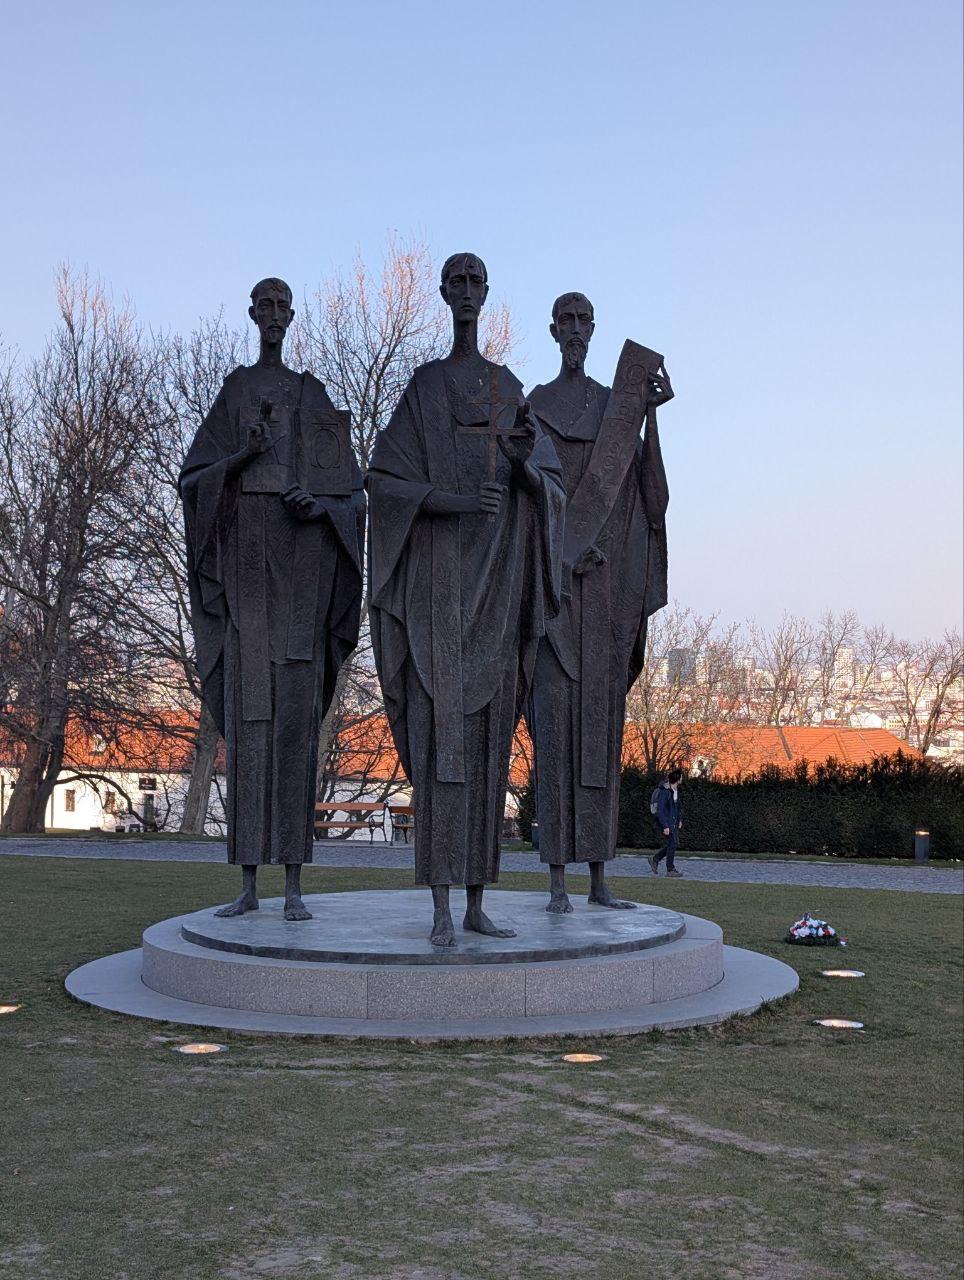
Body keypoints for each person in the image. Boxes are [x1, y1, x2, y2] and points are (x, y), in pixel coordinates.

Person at [367, 252, 565, 947]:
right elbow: (384, 480)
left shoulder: (509, 389)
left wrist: (520, 467)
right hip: (437, 593)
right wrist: (448, 501)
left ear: (487, 293)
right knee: (440, 748)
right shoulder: (424, 389)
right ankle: (440, 907)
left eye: (477, 282)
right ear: (444, 292)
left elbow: (549, 485)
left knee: (486, 753)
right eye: (458, 282)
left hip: (498, 593)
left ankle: (478, 900)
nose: (468, 293)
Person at [180, 277, 366, 921]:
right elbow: (194, 479)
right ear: (252, 314)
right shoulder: (236, 391)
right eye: (266, 306)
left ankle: (293, 884)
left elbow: (353, 494)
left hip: (302, 571)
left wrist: (321, 507)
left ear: (293, 316)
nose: (275, 316)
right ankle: (248, 884)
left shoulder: (312, 394)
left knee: (294, 724)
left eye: (284, 307)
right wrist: (243, 455)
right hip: (249, 570)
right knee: (250, 720)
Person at [525, 292, 672, 913]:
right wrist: (558, 555)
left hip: (605, 602)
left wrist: (652, 418)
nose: (576, 331)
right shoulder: (534, 407)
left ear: (593, 330)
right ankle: (557, 880)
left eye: (584, 321)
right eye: (567, 321)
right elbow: (525, 496)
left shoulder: (618, 415)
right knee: (555, 737)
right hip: (555, 599)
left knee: (600, 738)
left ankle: (598, 878)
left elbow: (650, 499)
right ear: (553, 330)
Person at [650, 768, 684, 878]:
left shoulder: (675, 791)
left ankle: (655, 859)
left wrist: (679, 820)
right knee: (672, 844)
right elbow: (660, 810)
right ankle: (670, 869)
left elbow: (678, 808)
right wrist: (665, 826)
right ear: (677, 779)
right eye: (681, 777)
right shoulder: (665, 792)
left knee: (673, 844)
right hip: (667, 823)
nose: (682, 779)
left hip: (673, 822)